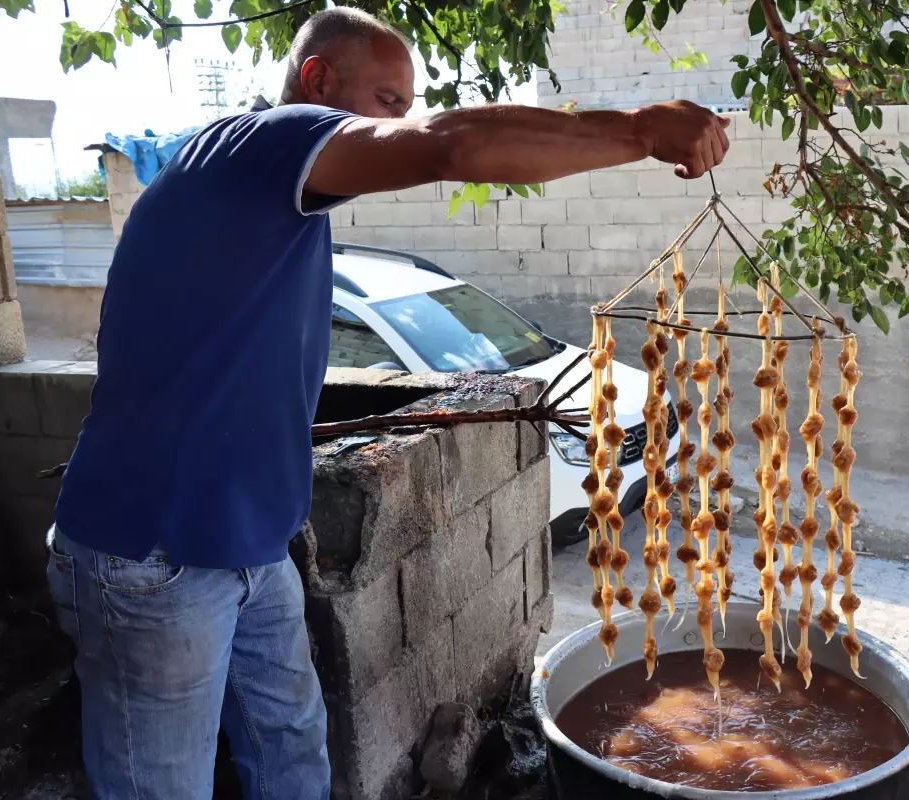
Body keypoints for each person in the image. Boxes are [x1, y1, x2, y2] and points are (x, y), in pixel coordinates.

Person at [45, 7, 730, 799]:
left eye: (407, 102)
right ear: (318, 81)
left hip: (249, 548)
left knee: (292, 754)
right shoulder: (265, 142)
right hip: (151, 559)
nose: (402, 120)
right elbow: (453, 145)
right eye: (386, 99)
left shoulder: (268, 203)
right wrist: (642, 130)